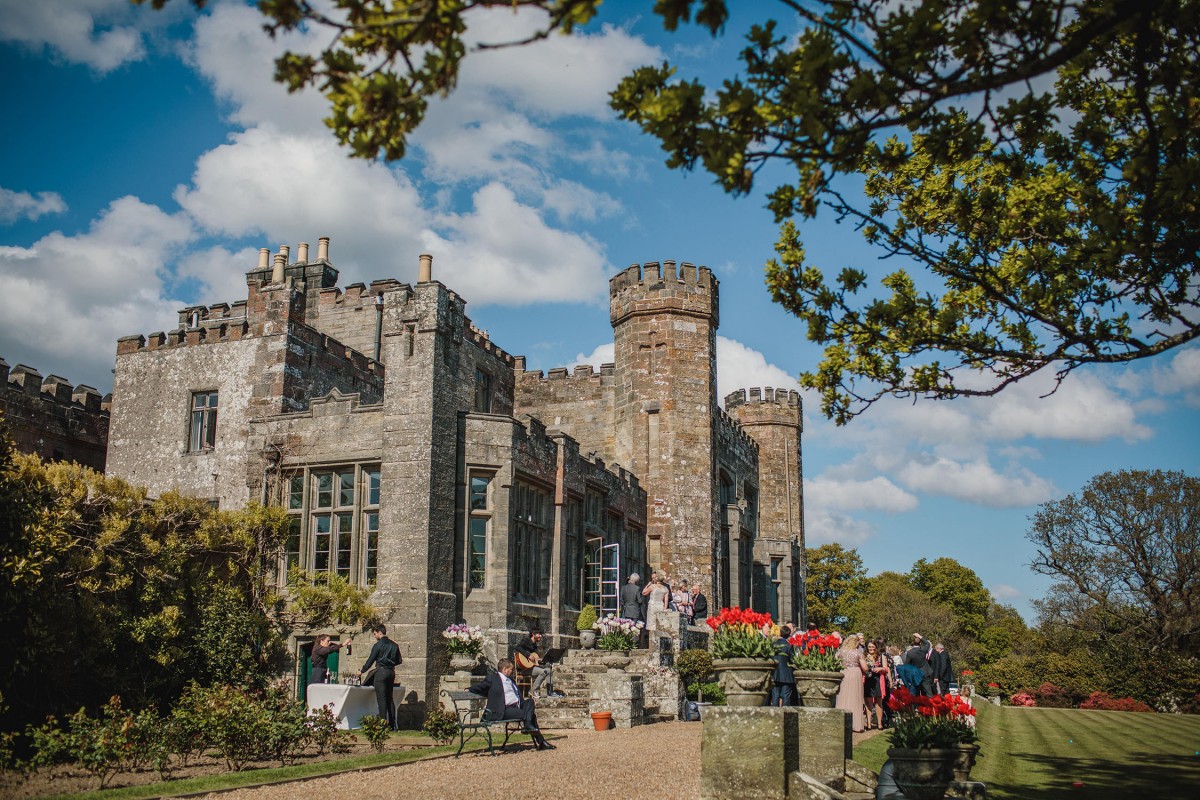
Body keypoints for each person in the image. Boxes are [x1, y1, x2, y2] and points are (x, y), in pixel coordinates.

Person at [468, 659, 555, 750]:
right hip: (504, 710)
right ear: (505, 669)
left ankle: (529, 726)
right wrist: (469, 689)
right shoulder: (493, 678)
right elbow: (481, 686)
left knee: (530, 701)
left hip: (517, 706)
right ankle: (540, 740)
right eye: (511, 669)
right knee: (530, 715)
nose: (512, 671)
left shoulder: (510, 680)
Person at [359, 624, 401, 730]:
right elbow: (399, 660)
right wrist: (390, 664)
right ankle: (392, 724)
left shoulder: (378, 645)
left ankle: (383, 724)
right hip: (391, 672)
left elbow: (370, 660)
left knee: (381, 699)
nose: (374, 636)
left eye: (375, 634)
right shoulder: (394, 645)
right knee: (389, 699)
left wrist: (362, 671)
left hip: (381, 672)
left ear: (379, 632)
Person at [835, 633, 870, 732]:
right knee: (855, 697)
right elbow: (865, 668)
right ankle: (855, 724)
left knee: (842, 696)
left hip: (843, 673)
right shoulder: (858, 653)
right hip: (855, 673)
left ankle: (841, 723)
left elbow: (835, 662)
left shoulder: (840, 652)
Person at [514, 630, 562, 698]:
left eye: (540, 634)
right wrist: (528, 655)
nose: (540, 636)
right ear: (533, 634)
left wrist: (543, 660)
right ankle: (533, 691)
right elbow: (517, 647)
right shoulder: (526, 641)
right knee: (544, 672)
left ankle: (550, 692)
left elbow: (535, 660)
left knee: (548, 670)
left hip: (532, 667)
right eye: (539, 634)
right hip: (524, 668)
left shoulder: (535, 645)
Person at [863, 639, 888, 730]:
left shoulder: (881, 656)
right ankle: (868, 723)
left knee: (879, 702)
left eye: (873, 646)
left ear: (876, 647)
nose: (871, 648)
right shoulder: (864, 656)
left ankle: (879, 723)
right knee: (868, 702)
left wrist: (880, 668)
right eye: (869, 647)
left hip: (878, 679)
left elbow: (886, 669)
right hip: (867, 680)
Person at [771, 623, 796, 706]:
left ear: (780, 633)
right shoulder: (789, 645)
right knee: (786, 696)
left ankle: (775, 714)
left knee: (775, 696)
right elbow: (792, 660)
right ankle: (785, 715)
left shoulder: (773, 644)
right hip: (787, 674)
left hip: (775, 673)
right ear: (789, 635)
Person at [642, 571, 670, 637]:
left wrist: (648, 585)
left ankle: (652, 639)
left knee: (651, 624)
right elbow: (666, 600)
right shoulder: (665, 588)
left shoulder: (653, 586)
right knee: (659, 623)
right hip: (661, 606)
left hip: (652, 606)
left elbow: (644, 593)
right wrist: (665, 609)